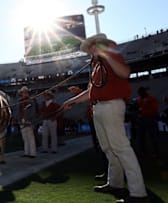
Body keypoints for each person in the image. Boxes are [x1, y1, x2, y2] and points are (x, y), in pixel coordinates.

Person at [61, 34, 148, 202]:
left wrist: (105, 55)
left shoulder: (112, 56)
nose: (91, 52)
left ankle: (138, 193)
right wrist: (72, 100)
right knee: (108, 148)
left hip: (111, 105)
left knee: (120, 147)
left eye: (93, 48)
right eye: (91, 49)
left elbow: (125, 72)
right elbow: (91, 92)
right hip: (99, 107)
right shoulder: (96, 68)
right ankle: (115, 183)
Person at [135, 86, 160, 158]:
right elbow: (137, 109)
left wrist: (142, 111)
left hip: (150, 119)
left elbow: (154, 110)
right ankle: (143, 152)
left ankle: (156, 153)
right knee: (140, 138)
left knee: (153, 137)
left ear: (145, 92)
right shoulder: (138, 99)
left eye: (141, 92)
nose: (140, 94)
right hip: (141, 120)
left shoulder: (152, 99)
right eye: (139, 93)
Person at [17, 86, 38, 158]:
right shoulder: (20, 102)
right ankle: (26, 152)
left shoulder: (31, 101)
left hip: (29, 121)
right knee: (25, 138)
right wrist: (19, 120)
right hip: (22, 121)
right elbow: (18, 112)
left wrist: (29, 120)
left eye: (26, 92)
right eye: (23, 93)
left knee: (30, 137)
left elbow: (33, 112)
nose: (24, 94)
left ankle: (32, 153)